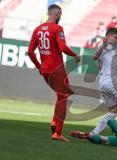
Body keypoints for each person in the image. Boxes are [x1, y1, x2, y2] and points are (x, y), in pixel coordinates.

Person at [28, 4, 80, 142]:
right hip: (56, 69)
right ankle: (57, 132)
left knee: (60, 95)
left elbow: (30, 52)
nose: (60, 18)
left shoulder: (37, 29)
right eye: (60, 15)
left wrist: (39, 66)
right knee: (64, 96)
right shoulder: (57, 28)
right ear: (56, 14)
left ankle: (53, 121)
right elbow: (62, 47)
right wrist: (75, 55)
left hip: (45, 70)